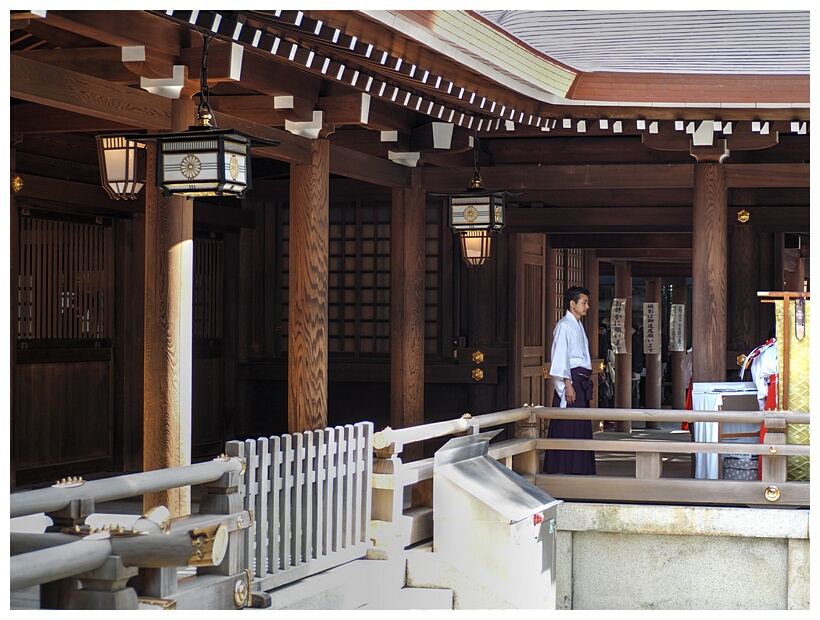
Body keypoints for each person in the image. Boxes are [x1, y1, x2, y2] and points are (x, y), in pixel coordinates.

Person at [544, 286, 596, 474]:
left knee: (580, 425)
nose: (587, 306)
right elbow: (561, 357)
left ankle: (579, 468)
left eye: (587, 303)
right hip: (571, 381)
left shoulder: (577, 324)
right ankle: (563, 468)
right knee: (568, 424)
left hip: (579, 380)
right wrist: (567, 385)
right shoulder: (564, 325)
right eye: (584, 302)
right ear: (572, 303)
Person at [631, 322, 644, 408]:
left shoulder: (634, 338)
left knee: (634, 389)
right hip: (637, 366)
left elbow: (636, 354)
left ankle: (634, 406)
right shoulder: (637, 337)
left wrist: (635, 369)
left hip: (635, 367)